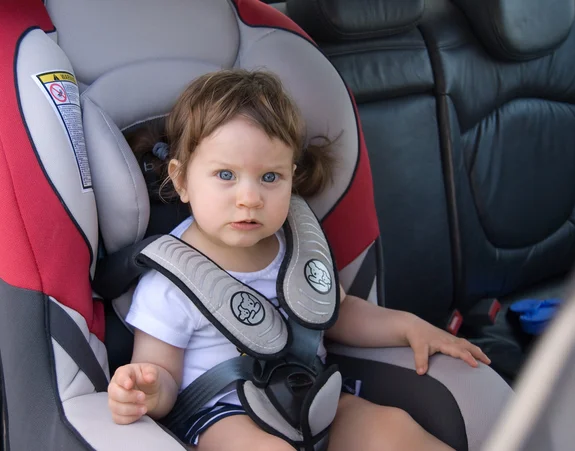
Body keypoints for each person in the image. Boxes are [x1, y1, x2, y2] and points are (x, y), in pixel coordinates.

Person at [107, 69, 490, 451]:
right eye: (226, 175)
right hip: (223, 418)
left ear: (291, 178)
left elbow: (339, 314)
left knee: (392, 429)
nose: (250, 198)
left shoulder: (296, 247)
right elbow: (163, 374)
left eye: (270, 178)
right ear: (182, 180)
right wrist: (148, 388)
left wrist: (408, 327)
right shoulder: (170, 283)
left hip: (311, 396)